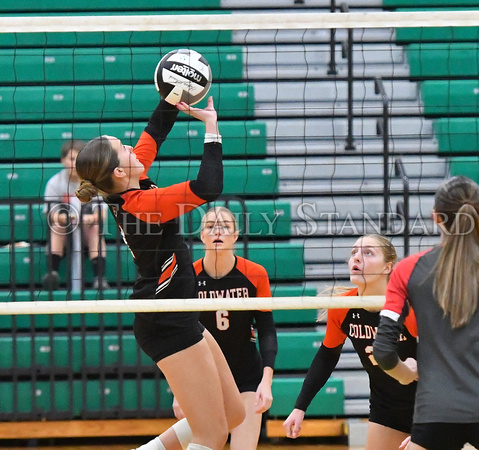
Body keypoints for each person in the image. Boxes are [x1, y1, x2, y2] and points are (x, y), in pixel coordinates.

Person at [75, 96, 245, 450]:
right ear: (119, 172)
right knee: (211, 435)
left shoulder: (130, 181)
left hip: (176, 313)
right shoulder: (143, 206)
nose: (132, 146)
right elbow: (207, 188)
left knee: (234, 415)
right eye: (124, 148)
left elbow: (155, 130)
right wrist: (211, 129)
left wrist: (173, 94)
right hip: (165, 320)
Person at [373, 176, 479, 450]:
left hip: (436, 409)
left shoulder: (407, 269)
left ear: (436, 217)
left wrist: (404, 374)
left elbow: (382, 351)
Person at [283, 234, 418, 450]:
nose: (356, 258)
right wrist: (300, 407)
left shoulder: (410, 307)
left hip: (430, 406)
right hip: (386, 408)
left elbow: (440, 365)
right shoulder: (343, 307)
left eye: (368, 253)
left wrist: (427, 426)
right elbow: (327, 357)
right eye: (354, 252)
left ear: (387, 267)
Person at [173, 206, 278, 450]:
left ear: (235, 235)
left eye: (225, 227)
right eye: (210, 226)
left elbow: (267, 330)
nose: (217, 231)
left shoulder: (255, 274)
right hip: (204, 381)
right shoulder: (188, 276)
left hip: (246, 378)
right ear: (201, 235)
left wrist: (266, 381)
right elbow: (180, 336)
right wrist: (179, 390)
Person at [42, 139, 109, 291]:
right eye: (72, 159)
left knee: (95, 228)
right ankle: (52, 274)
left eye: (79, 159)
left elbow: (102, 213)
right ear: (62, 160)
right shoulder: (55, 182)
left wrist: (90, 219)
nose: (75, 163)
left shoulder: (94, 182)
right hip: (66, 233)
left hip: (86, 231)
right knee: (57, 226)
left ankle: (99, 278)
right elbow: (50, 214)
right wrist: (68, 219)